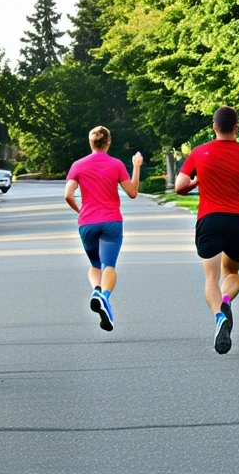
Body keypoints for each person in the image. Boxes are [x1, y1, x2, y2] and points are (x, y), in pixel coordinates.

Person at [174, 106, 239, 354]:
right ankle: (226, 300)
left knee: (211, 277)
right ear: (236, 127)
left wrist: (198, 180)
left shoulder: (199, 152)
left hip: (210, 219)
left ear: (214, 127)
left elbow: (180, 186)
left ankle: (220, 316)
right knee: (233, 273)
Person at [64, 126, 142, 331]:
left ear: (90, 142)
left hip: (87, 223)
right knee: (109, 266)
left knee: (95, 265)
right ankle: (104, 297)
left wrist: (80, 210)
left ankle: (97, 291)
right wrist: (136, 166)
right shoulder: (116, 164)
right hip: (111, 222)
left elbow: (68, 195)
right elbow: (132, 192)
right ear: (108, 142)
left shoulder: (78, 165)